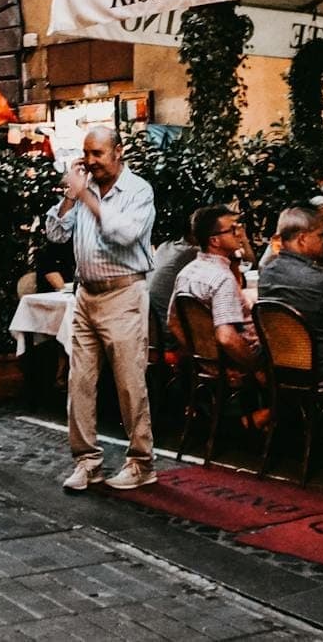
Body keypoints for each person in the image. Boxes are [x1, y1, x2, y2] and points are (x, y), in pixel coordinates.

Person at [43, 125, 157, 492]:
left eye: (98, 154)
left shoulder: (138, 190)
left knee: (129, 382)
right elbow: (55, 234)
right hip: (85, 295)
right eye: (86, 154)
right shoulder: (83, 190)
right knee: (80, 382)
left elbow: (123, 234)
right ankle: (87, 461)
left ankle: (141, 462)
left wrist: (86, 198)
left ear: (118, 152)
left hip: (123, 293)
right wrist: (70, 198)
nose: (91, 162)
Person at [258, 205, 323, 386]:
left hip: (281, 365)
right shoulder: (320, 282)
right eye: (319, 235)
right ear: (303, 239)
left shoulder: (266, 274)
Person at [169, 206, 263, 374]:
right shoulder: (222, 279)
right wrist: (255, 369)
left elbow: (173, 322)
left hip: (209, 361)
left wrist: (202, 356)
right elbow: (226, 338)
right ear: (214, 241)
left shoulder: (187, 272)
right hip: (243, 357)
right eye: (233, 230)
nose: (239, 234)